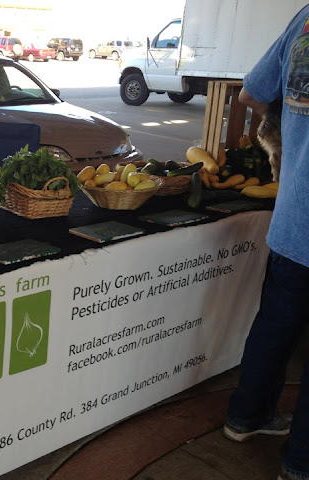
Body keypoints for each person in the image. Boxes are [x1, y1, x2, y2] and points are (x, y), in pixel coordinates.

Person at [223, 5, 309, 480]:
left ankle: (245, 417)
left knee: (275, 327)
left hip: (294, 220)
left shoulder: (305, 18)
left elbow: (251, 94)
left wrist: (292, 139)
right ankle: (299, 465)